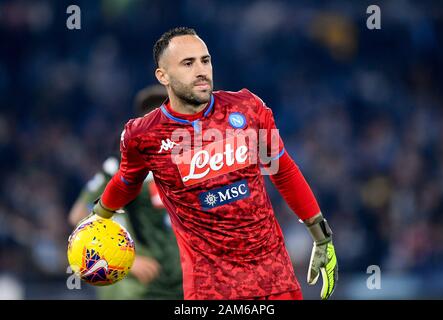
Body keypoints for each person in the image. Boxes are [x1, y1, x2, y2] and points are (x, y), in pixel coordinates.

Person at [85, 27, 338, 300]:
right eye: (188, 63)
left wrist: (321, 235)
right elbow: (126, 181)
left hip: (274, 281)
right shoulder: (142, 135)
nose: (201, 70)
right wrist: (99, 216)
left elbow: (284, 171)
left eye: (205, 60)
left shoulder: (248, 107)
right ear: (163, 76)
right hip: (210, 291)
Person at [69, 84, 183, 300]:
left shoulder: (197, 164)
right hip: (145, 289)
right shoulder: (123, 166)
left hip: (186, 287)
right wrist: (122, 260)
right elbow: (80, 215)